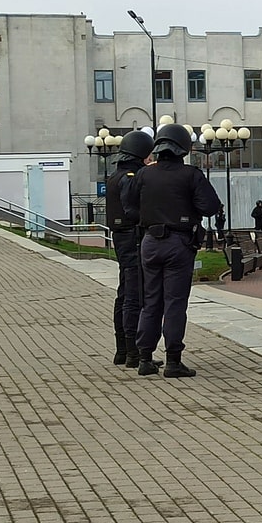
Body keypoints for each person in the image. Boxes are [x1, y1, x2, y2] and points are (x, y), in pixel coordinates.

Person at [125, 123, 220, 378]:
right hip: (178, 243)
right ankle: (173, 361)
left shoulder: (145, 174)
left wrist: (148, 217)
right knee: (175, 303)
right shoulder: (191, 175)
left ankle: (145, 358)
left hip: (149, 243)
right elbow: (210, 206)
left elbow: (129, 206)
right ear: (183, 149)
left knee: (150, 302)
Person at [106, 129, 155, 369]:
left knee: (125, 291)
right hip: (132, 236)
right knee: (134, 295)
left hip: (121, 236)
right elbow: (131, 210)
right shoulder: (130, 176)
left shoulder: (115, 175)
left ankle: (122, 350)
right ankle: (133, 350)